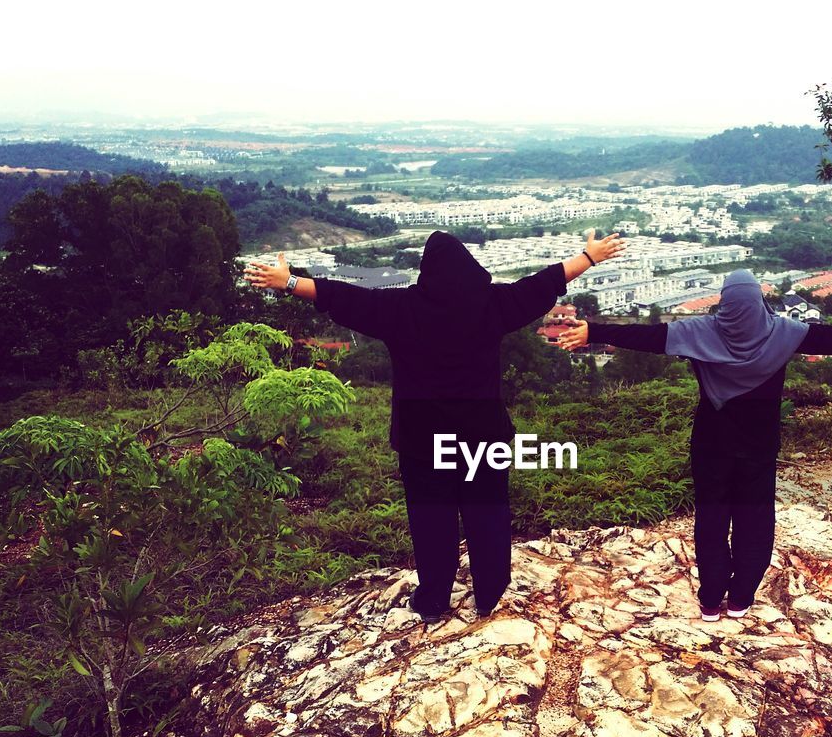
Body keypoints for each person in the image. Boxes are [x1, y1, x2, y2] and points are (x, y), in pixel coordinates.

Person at [245, 229, 625, 624]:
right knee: (488, 515)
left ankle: (433, 600)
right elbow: (543, 283)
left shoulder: (400, 308)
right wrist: (590, 256)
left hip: (421, 440)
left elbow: (342, 296)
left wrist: (287, 281)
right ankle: (491, 595)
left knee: (431, 520)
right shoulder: (493, 304)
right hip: (482, 434)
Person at [558, 269, 832, 622]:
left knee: (711, 518)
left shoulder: (700, 332)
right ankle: (740, 598)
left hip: (711, 444)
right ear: (759, 302)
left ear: (724, 302)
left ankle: (710, 601)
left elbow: (650, 336)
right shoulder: (783, 333)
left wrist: (593, 331)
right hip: (759, 445)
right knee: (755, 521)